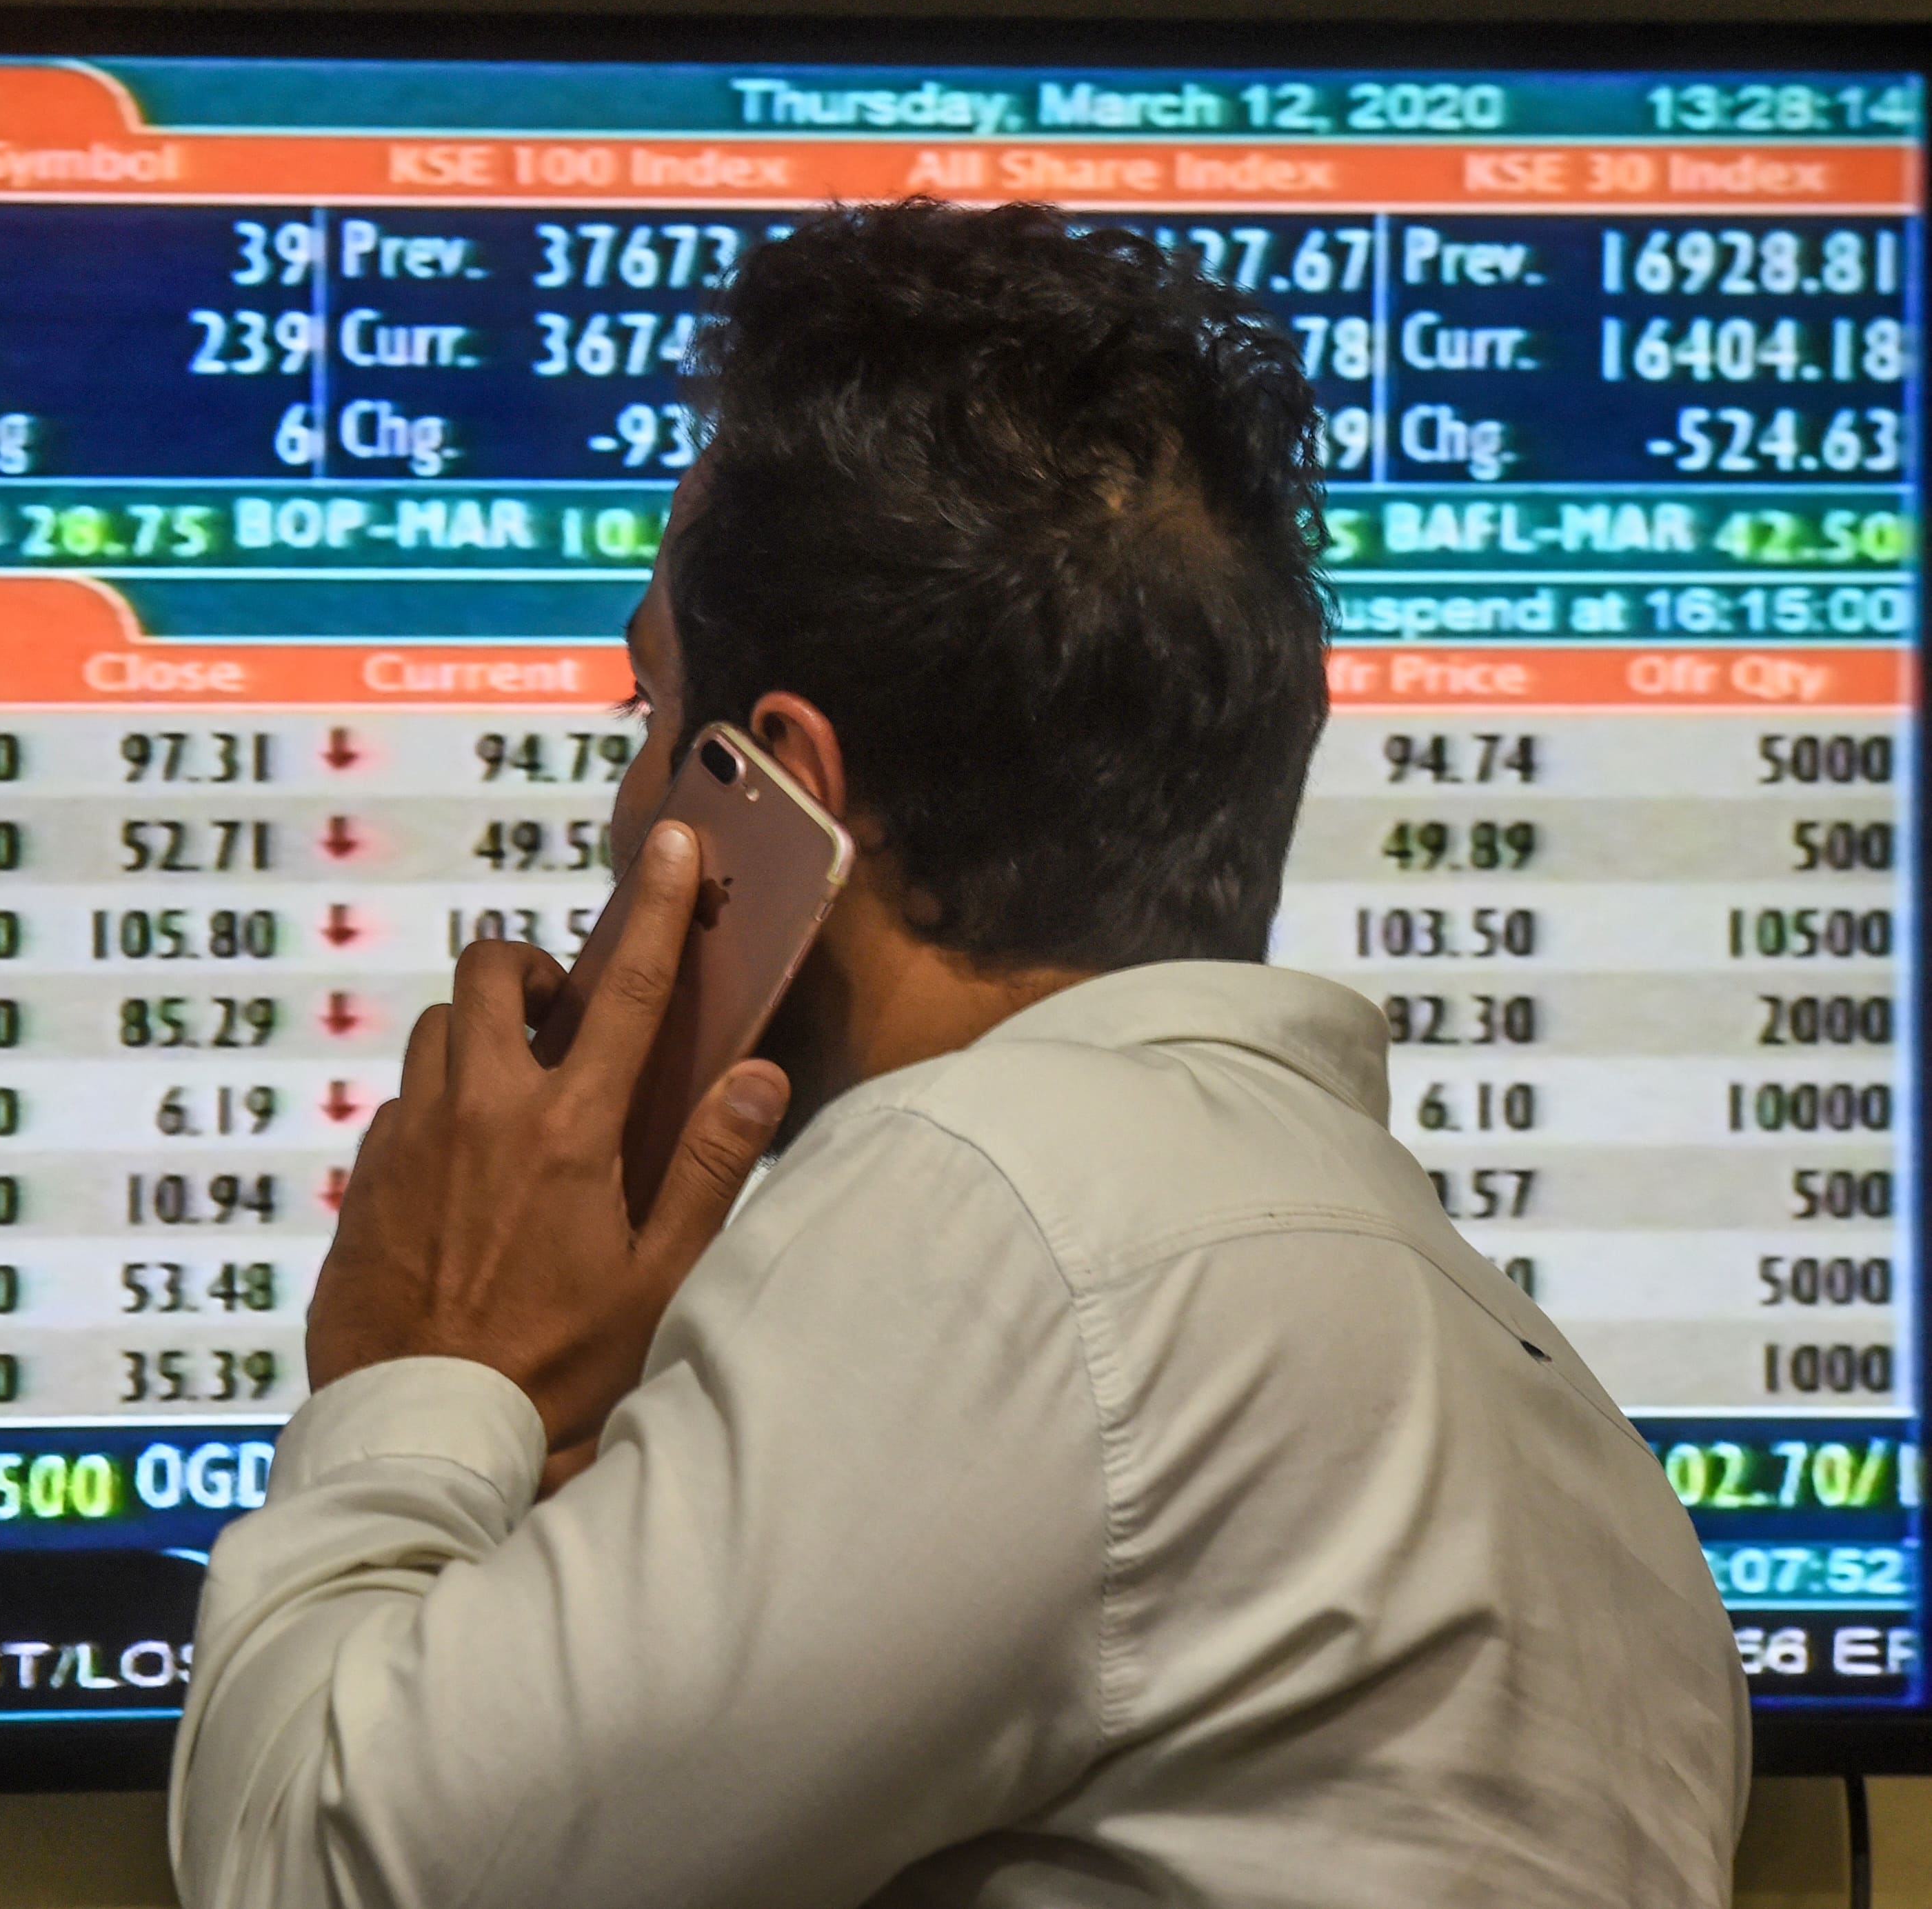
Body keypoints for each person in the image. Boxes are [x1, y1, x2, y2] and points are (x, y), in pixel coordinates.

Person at [170, 200, 1747, 1908]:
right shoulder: (1548, 1411)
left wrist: (429, 1371)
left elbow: (325, 1871)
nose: (626, 810)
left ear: (781, 793)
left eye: (648, 717)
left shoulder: (1001, 1209)